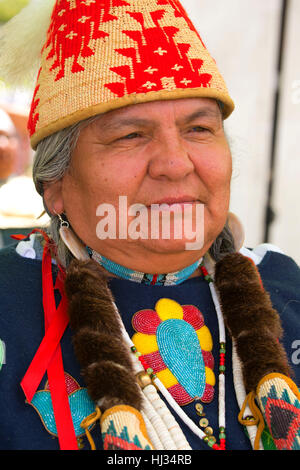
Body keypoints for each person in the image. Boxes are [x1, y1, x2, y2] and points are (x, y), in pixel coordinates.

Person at [0, 0, 299, 452]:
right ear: (56, 184)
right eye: (130, 135)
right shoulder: (9, 297)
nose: (176, 164)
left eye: (199, 129)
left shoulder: (282, 282)